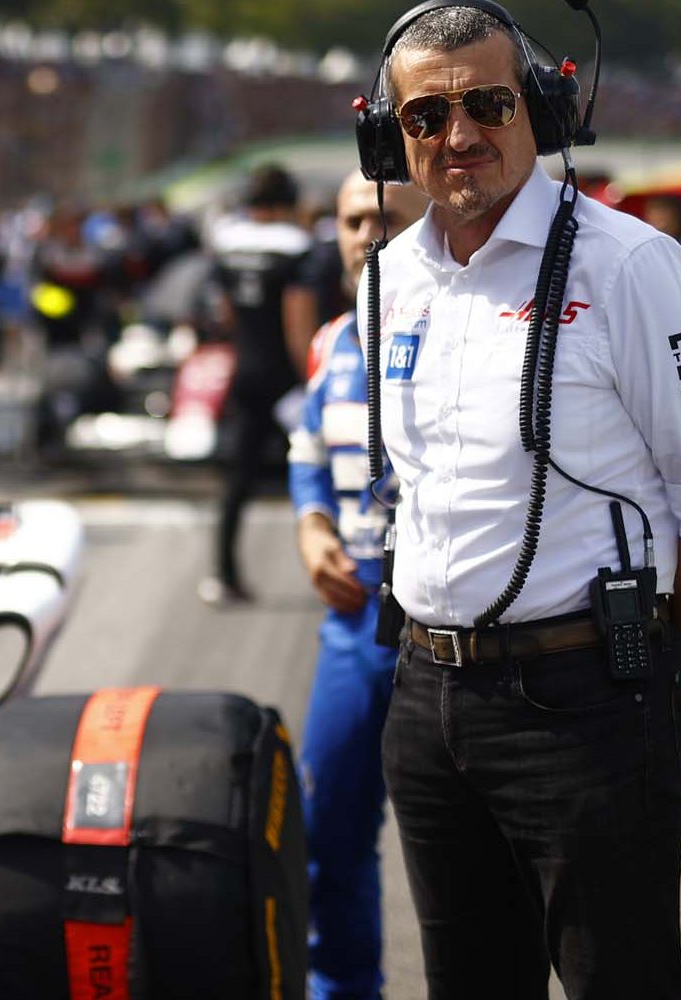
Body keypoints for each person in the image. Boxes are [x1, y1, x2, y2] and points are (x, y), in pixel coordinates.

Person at [362, 7, 681, 998]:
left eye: (488, 104)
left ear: (542, 110)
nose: (458, 136)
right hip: (425, 703)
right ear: (389, 137)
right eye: (425, 117)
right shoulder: (389, 277)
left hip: (582, 705)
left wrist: (657, 683)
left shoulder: (630, 267)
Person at [286, 170, 425, 1000]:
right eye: (351, 219)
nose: (366, 234)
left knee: (483, 853)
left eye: (386, 217)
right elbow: (307, 452)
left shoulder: (477, 329)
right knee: (325, 832)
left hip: (454, 626)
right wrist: (310, 529)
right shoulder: (333, 339)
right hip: (353, 627)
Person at [201, 163, 317, 605]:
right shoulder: (298, 247)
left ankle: (224, 574)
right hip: (285, 379)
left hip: (245, 370)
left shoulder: (228, 242)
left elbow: (226, 313)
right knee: (323, 471)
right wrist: (310, 380)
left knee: (237, 481)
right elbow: (297, 320)